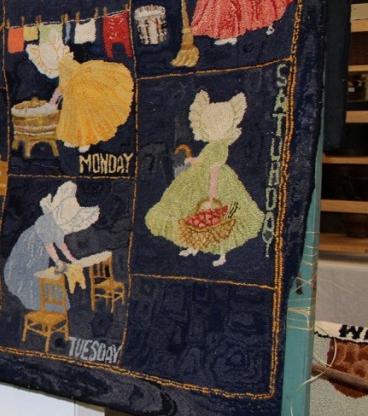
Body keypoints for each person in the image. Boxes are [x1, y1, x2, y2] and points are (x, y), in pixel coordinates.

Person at [144, 91, 264, 267]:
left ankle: (221, 253)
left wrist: (211, 196)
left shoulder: (220, 147)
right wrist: (192, 161)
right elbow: (206, 161)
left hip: (214, 185)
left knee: (219, 222)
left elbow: (214, 171)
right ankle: (194, 246)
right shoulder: (213, 145)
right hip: (198, 178)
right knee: (195, 217)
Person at [27, 29, 134, 151]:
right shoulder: (64, 63)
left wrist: (52, 102)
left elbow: (62, 86)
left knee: (83, 117)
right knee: (78, 117)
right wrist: (53, 101)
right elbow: (63, 85)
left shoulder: (63, 66)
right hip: (78, 88)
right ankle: (78, 140)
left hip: (82, 89)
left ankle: (84, 141)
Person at [4, 182, 99, 311]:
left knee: (40, 271)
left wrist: (73, 260)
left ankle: (48, 303)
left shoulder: (58, 226)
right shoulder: (46, 221)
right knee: (31, 272)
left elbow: (61, 245)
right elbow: (49, 246)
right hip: (30, 247)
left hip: (40, 251)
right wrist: (58, 261)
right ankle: (35, 302)